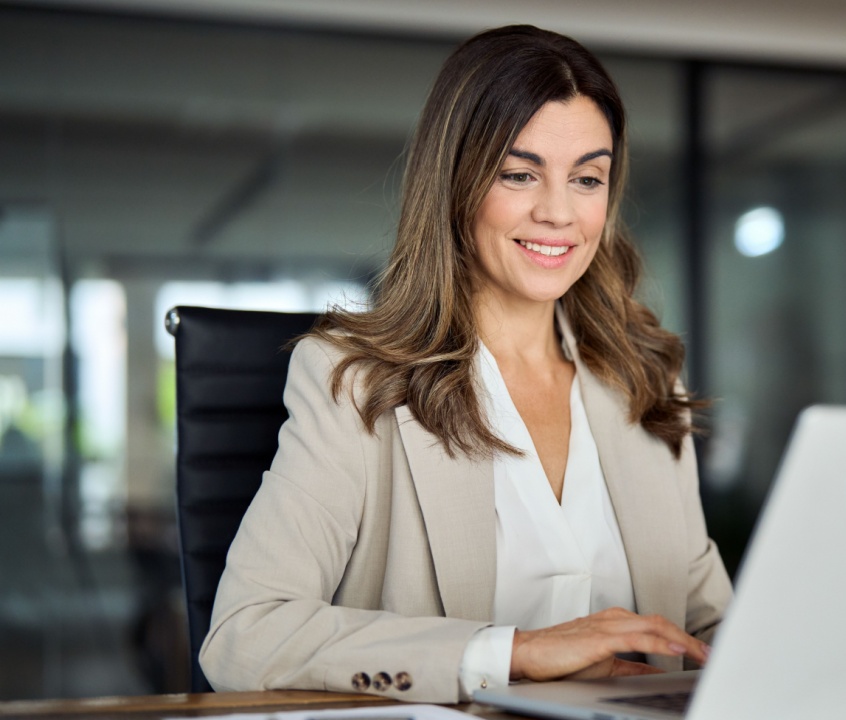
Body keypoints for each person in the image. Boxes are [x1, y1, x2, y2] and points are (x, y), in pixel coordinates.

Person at [199, 25, 733, 705]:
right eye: (519, 173)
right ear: (456, 180)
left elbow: (706, 622)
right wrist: (513, 654)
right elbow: (247, 635)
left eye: (587, 178)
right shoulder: (356, 382)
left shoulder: (643, 380)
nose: (558, 213)